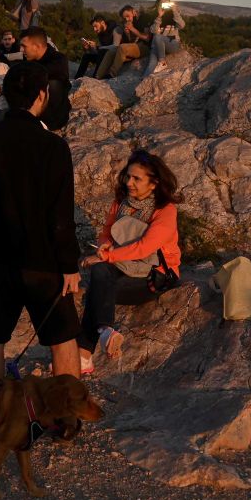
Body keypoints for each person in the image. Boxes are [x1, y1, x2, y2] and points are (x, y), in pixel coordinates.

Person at [0, 61, 82, 379]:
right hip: (43, 262)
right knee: (62, 339)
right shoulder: (54, 147)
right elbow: (60, 217)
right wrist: (69, 265)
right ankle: (64, 419)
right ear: (42, 95)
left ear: (4, 94)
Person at [77, 150, 182, 373]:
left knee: (100, 288)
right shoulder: (121, 202)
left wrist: (106, 255)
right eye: (128, 176)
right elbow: (106, 231)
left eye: (137, 178)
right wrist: (104, 244)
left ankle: (85, 354)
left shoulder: (165, 211)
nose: (129, 183)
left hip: (153, 276)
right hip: (123, 266)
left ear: (153, 183)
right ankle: (105, 332)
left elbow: (145, 247)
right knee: (100, 275)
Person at [19, 27, 72, 131]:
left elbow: (57, 85)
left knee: (53, 84)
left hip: (54, 117)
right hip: (31, 111)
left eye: (24, 46)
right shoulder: (29, 59)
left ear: (37, 46)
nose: (21, 50)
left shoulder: (58, 59)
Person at [95, 5, 151, 79]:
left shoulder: (143, 18)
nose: (127, 19)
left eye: (128, 16)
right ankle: (98, 76)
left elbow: (147, 38)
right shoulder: (130, 22)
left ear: (134, 12)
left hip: (145, 47)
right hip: (135, 46)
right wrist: (128, 34)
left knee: (122, 47)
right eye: (125, 18)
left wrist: (132, 29)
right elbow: (132, 42)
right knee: (111, 51)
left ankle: (112, 74)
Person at [144, 0, 186, 77]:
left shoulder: (174, 16)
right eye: (162, 3)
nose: (165, 6)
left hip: (172, 43)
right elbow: (153, 31)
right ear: (158, 5)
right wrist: (159, 16)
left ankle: (162, 62)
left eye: (167, 3)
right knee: (150, 66)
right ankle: (143, 82)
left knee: (158, 37)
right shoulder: (155, 16)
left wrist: (174, 11)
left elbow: (182, 25)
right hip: (158, 46)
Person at [74, 15, 118, 79]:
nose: (94, 29)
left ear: (102, 23)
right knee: (86, 56)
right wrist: (90, 48)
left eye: (96, 26)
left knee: (101, 54)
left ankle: (96, 76)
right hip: (102, 56)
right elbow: (99, 50)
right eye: (93, 27)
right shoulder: (100, 33)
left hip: (111, 57)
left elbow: (114, 47)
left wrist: (97, 47)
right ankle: (77, 78)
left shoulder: (114, 30)